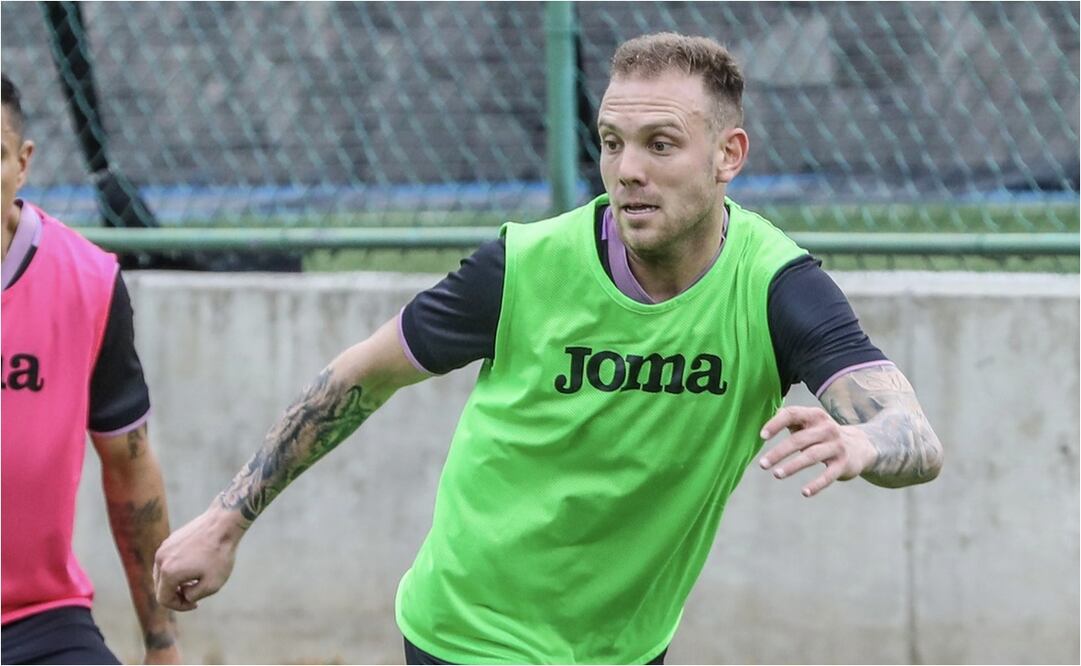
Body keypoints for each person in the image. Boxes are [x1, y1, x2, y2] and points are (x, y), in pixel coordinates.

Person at [153, 33, 943, 664]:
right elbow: (362, 373)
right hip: (469, 631)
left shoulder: (776, 288)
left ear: (727, 155)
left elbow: (915, 435)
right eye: (611, 142)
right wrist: (227, 521)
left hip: (625, 644)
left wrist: (861, 439)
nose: (627, 171)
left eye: (660, 144)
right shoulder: (524, 265)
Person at [1, 74, 181, 665]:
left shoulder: (87, 284)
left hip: (39, 621)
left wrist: (161, 643)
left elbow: (130, 470)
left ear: (22, 164)